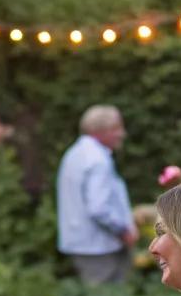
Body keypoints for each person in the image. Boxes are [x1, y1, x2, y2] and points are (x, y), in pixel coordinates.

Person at [55, 104, 138, 284]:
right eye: (116, 128)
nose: (122, 134)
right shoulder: (98, 160)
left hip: (82, 242)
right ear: (100, 130)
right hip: (100, 246)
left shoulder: (74, 153)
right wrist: (123, 230)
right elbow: (99, 208)